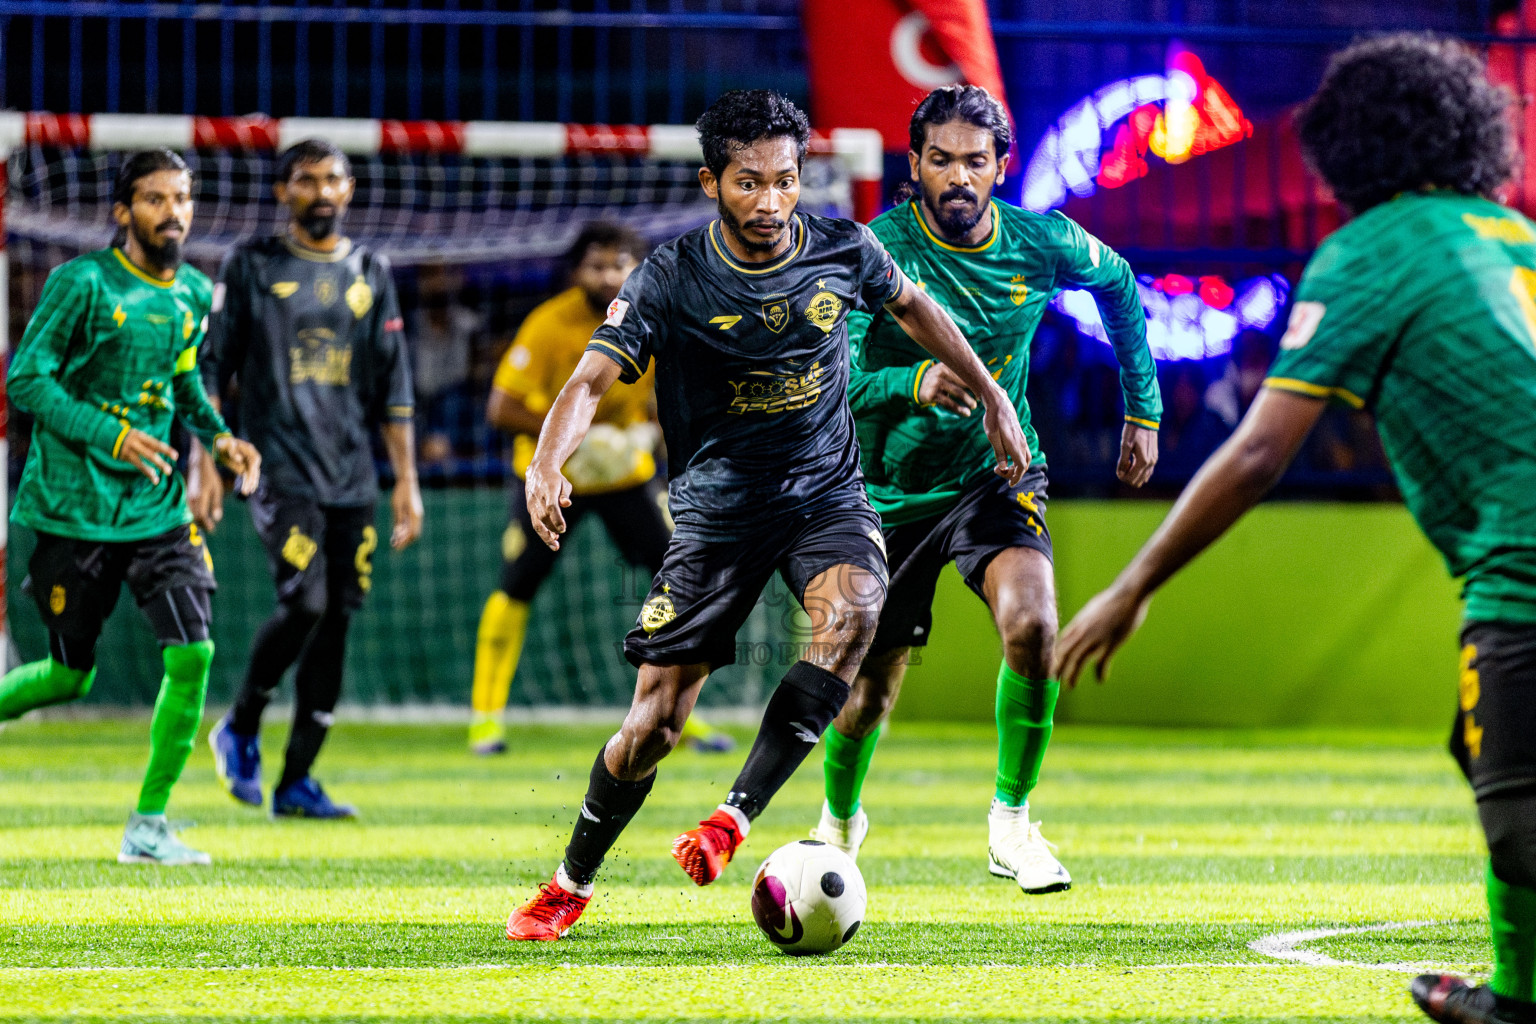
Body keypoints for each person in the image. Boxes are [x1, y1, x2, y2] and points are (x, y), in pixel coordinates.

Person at [1051, 35, 1536, 1024]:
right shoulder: (1512, 233)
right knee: (1477, 748)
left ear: (1350, 148)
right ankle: (1518, 993)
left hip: (1524, 570)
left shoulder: (1371, 249)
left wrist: (1130, 583)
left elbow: (1259, 454)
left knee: (1519, 804)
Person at [504, 89, 1031, 941]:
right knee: (654, 727)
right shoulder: (670, 278)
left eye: (786, 181)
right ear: (713, 182)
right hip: (716, 518)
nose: (772, 203)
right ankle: (570, 881)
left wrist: (993, 397)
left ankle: (734, 817)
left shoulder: (843, 247)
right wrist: (545, 463)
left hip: (825, 495)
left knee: (855, 612)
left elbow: (916, 309)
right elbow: (589, 384)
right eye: (749, 184)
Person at [809, 85, 1160, 895]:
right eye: (942, 160)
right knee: (867, 696)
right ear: (916, 166)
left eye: (975, 160)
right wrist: (915, 379)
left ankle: (1012, 821)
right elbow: (842, 383)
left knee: (1034, 624)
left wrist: (1142, 406)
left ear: (1002, 166)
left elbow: (1119, 282)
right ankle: (837, 823)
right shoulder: (877, 250)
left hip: (996, 475)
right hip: (886, 491)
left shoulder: (1040, 242)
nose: (958, 177)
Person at [0, 149, 261, 864]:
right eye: (154, 199)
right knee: (67, 674)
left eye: (181, 198)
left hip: (156, 507)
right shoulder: (80, 283)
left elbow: (180, 383)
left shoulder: (192, 295)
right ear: (123, 211)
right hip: (73, 505)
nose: (172, 212)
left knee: (194, 652)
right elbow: (26, 380)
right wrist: (110, 433)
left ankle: (147, 827)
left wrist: (219, 437)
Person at [195, 138, 423, 819]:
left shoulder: (370, 269)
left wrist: (405, 480)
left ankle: (296, 781)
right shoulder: (252, 265)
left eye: (332, 180)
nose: (321, 192)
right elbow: (209, 368)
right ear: (282, 192)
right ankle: (239, 724)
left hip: (352, 477)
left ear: (349, 191)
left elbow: (394, 386)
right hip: (277, 468)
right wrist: (205, 456)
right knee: (306, 603)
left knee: (338, 621)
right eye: (306, 180)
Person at [469, 222, 734, 757]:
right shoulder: (548, 325)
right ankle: (485, 721)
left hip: (625, 478)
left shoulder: (655, 317)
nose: (609, 276)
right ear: (576, 272)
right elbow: (501, 408)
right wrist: (576, 440)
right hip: (555, 478)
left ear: (638, 267)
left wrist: (646, 431)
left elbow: (671, 402)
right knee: (515, 586)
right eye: (597, 265)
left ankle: (678, 713)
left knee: (680, 583)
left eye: (620, 264)